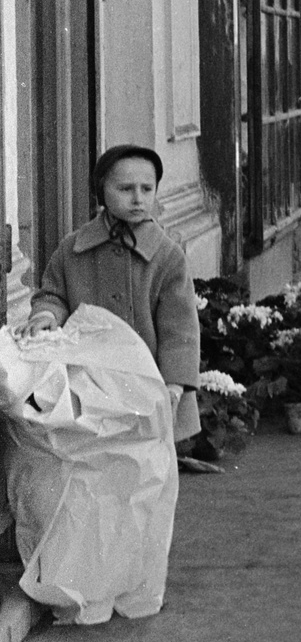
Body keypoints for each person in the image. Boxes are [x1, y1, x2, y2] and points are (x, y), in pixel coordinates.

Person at [26, 145, 202, 445]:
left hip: (147, 382)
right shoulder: (73, 249)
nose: (138, 198)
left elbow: (180, 329)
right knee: (93, 451)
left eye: (147, 189)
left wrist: (174, 386)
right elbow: (53, 293)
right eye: (125, 188)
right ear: (101, 192)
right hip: (88, 376)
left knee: (141, 457)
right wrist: (47, 314)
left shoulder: (166, 256)